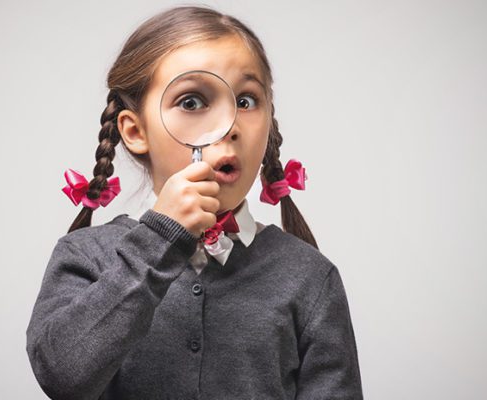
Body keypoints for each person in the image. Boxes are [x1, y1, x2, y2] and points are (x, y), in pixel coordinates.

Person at [26, 5, 363, 399]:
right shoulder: (86, 256)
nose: (230, 126)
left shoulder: (309, 278)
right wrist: (160, 237)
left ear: (270, 122)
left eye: (246, 101)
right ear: (136, 131)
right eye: (190, 102)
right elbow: (62, 376)